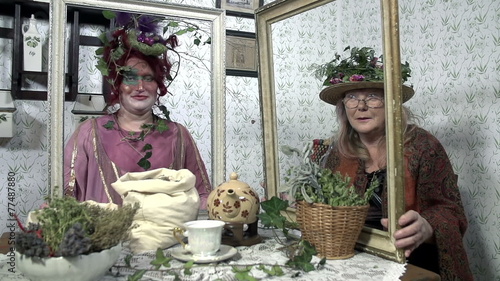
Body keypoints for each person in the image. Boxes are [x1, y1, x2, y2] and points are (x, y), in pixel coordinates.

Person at [317, 47, 473, 281]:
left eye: (372, 96)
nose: (361, 106)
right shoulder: (338, 153)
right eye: (352, 97)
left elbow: (451, 211)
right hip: (353, 261)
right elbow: (326, 208)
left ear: (391, 102)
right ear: (343, 107)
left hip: (412, 262)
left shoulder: (422, 145)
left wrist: (427, 226)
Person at [63, 12, 212, 209]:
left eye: (148, 78)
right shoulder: (89, 133)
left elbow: (202, 196)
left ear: (158, 85)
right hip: (104, 238)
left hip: (168, 238)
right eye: (130, 78)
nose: (140, 87)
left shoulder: (178, 135)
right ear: (117, 84)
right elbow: (65, 199)